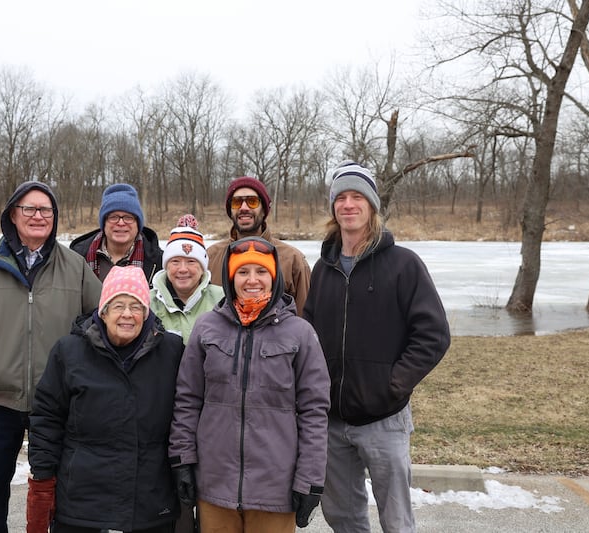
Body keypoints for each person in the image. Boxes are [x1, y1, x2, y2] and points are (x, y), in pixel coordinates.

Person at [0, 180, 102, 533]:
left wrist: (75, 362)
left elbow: (99, 318)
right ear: (13, 214)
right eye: (29, 208)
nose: (38, 216)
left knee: (61, 489)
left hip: (57, 399)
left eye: (45, 210)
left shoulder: (74, 266)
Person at [303, 161, 451, 533]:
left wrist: (394, 383)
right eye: (341, 198)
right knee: (343, 517)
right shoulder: (323, 269)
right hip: (333, 420)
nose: (348, 205)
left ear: (371, 206)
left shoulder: (403, 265)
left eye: (357, 197)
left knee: (396, 520)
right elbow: (307, 334)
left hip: (384, 418)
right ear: (333, 207)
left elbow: (433, 334)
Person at [169, 236, 330, 533]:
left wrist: (310, 479)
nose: (251, 280)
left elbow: (314, 412)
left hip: (275, 489)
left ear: (274, 277)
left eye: (261, 272)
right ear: (231, 278)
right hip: (214, 484)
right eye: (243, 272)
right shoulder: (207, 327)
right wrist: (182, 459)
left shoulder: (300, 334)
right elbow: (187, 399)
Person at [26, 265, 183, 533]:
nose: (126, 314)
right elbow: (47, 417)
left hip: (149, 497)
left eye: (136, 306)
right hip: (82, 498)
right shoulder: (69, 351)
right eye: (118, 305)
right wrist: (42, 476)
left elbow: (187, 414)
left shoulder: (171, 351)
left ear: (146, 313)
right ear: (103, 310)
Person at [206, 176, 311, 316]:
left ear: (264, 209)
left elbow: (305, 320)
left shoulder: (292, 260)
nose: (244, 208)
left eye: (252, 201)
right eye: (237, 202)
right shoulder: (210, 257)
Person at [150, 214, 224, 345]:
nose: (183, 269)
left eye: (191, 261)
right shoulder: (148, 302)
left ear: (202, 268)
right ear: (166, 266)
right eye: (175, 261)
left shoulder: (222, 300)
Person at [71, 183, 163, 285]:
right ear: (104, 223)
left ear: (138, 224)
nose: (121, 223)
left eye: (128, 217)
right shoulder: (77, 258)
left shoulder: (159, 263)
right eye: (113, 217)